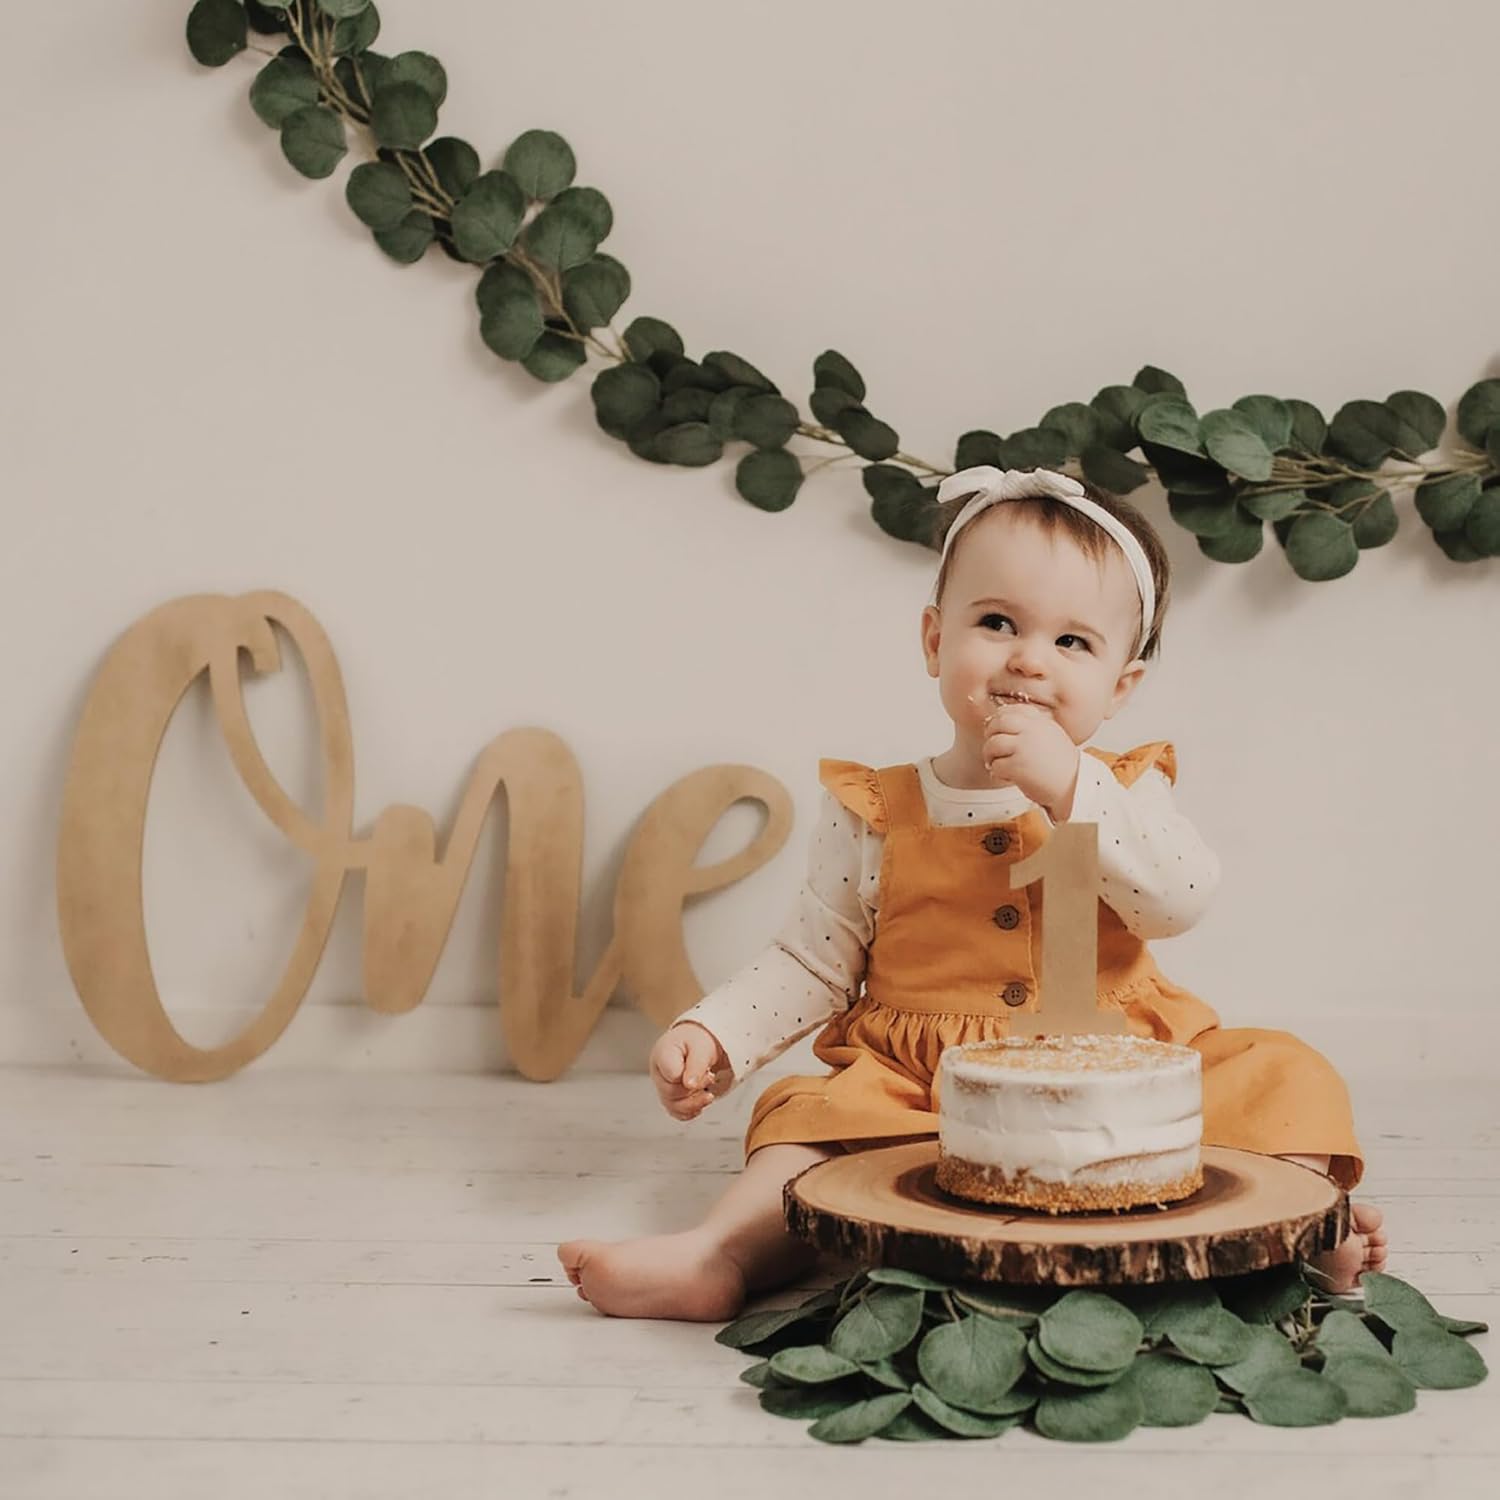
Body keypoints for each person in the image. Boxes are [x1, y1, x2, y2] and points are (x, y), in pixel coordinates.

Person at [558, 465, 1386, 1320]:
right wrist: (717, 1031)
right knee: (806, 1125)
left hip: (1115, 1060)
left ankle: (1301, 1229)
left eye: (1073, 643)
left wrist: (1071, 790)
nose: (1029, 658)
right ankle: (719, 1254)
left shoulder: (1125, 790)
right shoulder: (878, 810)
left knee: (1283, 1074)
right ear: (933, 640)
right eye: (997, 623)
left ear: (1121, 687)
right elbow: (814, 959)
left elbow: (1176, 901)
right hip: (926, 1079)